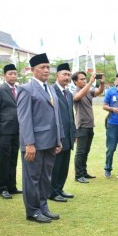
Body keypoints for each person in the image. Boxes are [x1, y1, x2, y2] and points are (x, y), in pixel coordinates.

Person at [17, 53, 63, 223]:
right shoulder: (26, 89)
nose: (46, 70)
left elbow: (56, 115)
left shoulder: (50, 88)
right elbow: (24, 118)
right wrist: (29, 143)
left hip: (50, 141)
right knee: (32, 178)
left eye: (47, 67)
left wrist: (58, 139)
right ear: (32, 70)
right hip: (34, 143)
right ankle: (33, 210)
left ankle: (43, 206)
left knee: (45, 177)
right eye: (42, 67)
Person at [0, 63, 22, 199]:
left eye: (15, 73)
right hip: (3, 132)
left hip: (17, 131)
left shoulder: (19, 90)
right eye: (10, 74)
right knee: (4, 161)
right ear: (5, 76)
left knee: (13, 159)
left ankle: (12, 186)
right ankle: (2, 188)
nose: (13, 76)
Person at [72, 71, 105, 183]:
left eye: (85, 78)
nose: (84, 80)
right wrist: (91, 82)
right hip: (81, 126)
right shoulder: (75, 92)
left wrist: (102, 83)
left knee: (86, 151)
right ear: (75, 82)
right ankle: (78, 175)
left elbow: (99, 91)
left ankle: (84, 172)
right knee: (80, 152)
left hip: (90, 126)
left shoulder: (88, 92)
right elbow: (78, 97)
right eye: (81, 79)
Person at [49, 63, 75, 202]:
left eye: (69, 75)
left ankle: (59, 188)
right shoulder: (51, 91)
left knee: (64, 164)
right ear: (57, 75)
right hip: (57, 135)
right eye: (64, 74)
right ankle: (52, 191)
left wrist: (74, 132)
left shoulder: (69, 94)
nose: (67, 77)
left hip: (68, 135)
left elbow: (70, 114)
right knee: (55, 166)